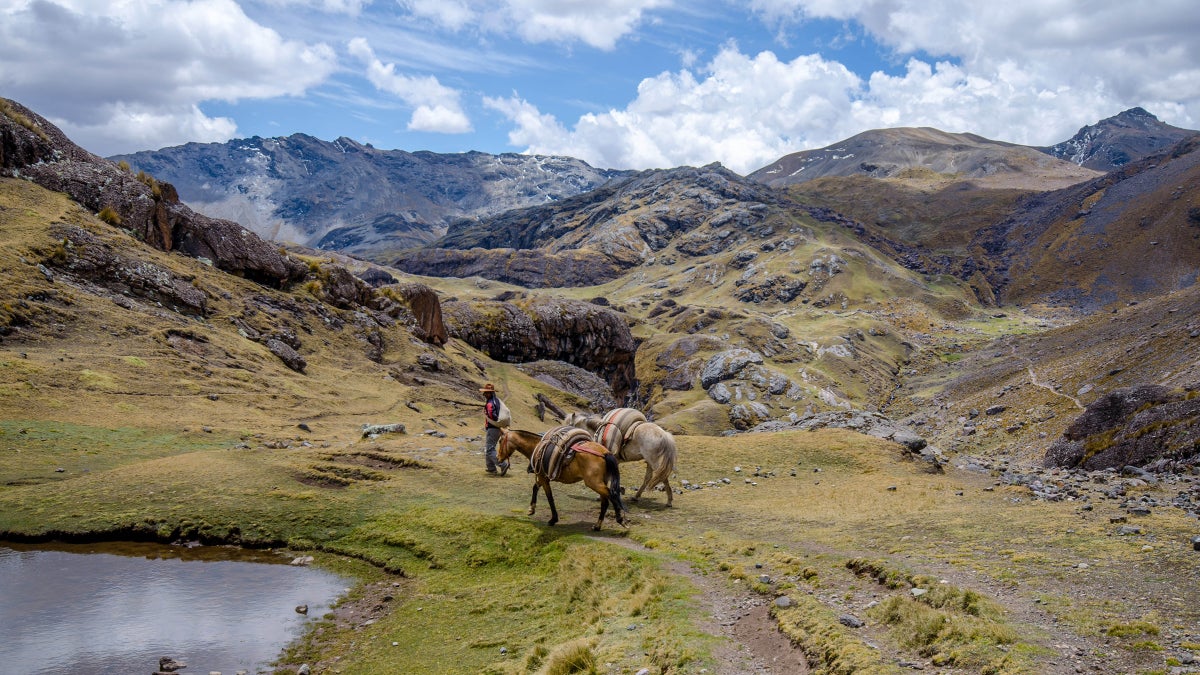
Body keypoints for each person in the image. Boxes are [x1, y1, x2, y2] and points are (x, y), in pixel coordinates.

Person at [481, 383, 509, 475]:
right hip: (497, 428)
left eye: (485, 393)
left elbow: (493, 416)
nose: (484, 395)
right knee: (489, 447)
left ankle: (502, 464)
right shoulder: (497, 400)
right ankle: (491, 468)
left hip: (492, 428)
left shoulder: (489, 404)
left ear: (490, 393)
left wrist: (487, 414)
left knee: (489, 449)